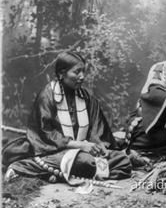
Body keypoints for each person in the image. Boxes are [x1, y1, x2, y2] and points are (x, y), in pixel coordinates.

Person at [3, 51, 136, 184]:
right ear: (61, 74)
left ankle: (57, 173)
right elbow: (45, 134)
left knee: (122, 161)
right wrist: (79, 145)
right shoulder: (47, 96)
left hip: (84, 152)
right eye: (77, 72)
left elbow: (97, 130)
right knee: (86, 162)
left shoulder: (87, 97)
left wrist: (100, 146)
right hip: (55, 151)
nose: (82, 76)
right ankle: (22, 168)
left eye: (83, 71)